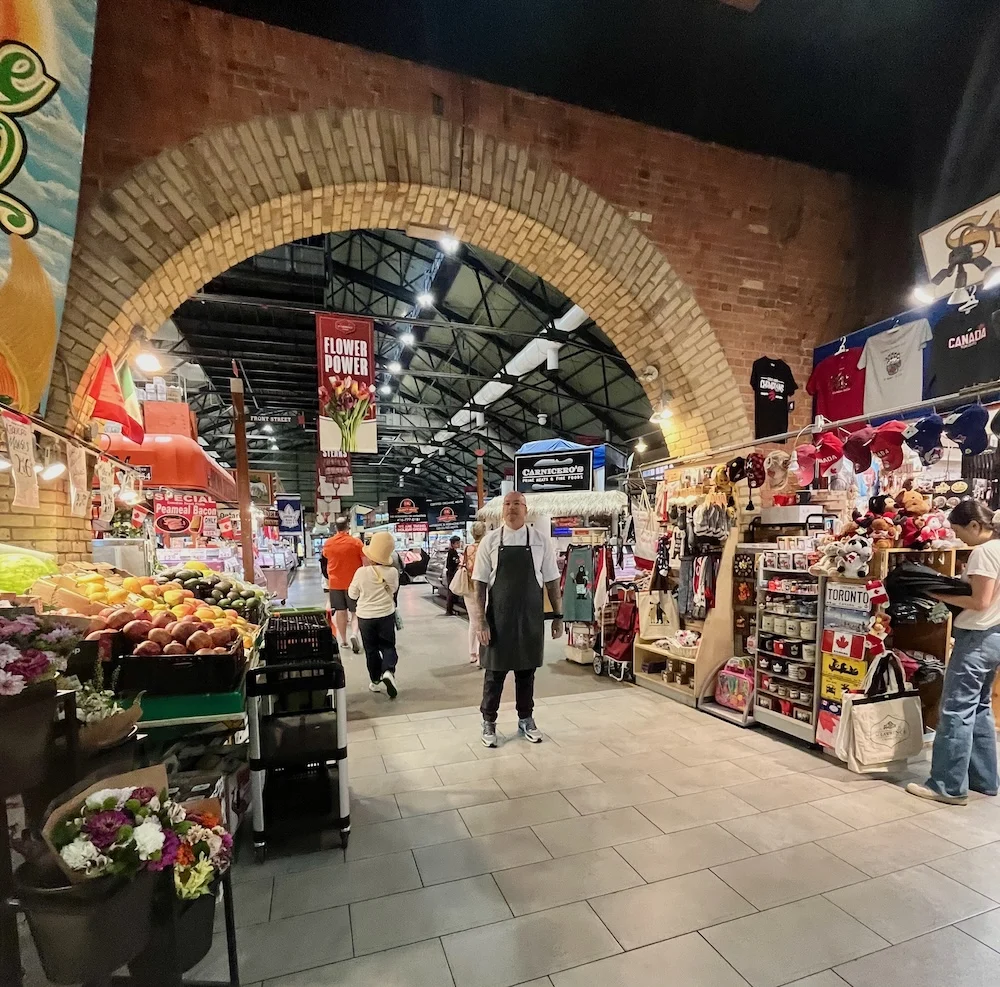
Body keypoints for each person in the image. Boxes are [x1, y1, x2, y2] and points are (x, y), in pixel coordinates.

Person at [906, 500, 1000, 806]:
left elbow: (980, 602)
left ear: (975, 525)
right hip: (994, 637)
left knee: (955, 710)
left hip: (976, 637)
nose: (959, 538)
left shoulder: (984, 552)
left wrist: (933, 592)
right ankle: (983, 780)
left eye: (959, 530)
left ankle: (947, 785)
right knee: (980, 707)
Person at [471, 491, 563, 747]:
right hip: (498, 619)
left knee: (526, 672)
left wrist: (558, 616)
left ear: (526, 509)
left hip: (529, 617)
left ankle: (526, 718)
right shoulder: (489, 541)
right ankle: (488, 721)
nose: (512, 508)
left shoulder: (540, 540)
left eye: (517, 504)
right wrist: (481, 621)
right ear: (502, 510)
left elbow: (552, 581)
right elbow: (478, 583)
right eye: (508, 504)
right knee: (494, 674)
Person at [348, 531, 401, 698]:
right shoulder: (392, 572)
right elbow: (393, 590)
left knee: (371, 650)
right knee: (388, 646)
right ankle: (388, 672)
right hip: (386, 614)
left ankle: (375, 681)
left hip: (365, 617)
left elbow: (352, 594)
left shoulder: (361, 572)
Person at [322, 516, 363, 654]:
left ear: (336, 528)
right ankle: (354, 634)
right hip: (354, 583)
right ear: (348, 527)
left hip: (335, 583)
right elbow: (365, 562)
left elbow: (325, 557)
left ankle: (344, 640)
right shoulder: (356, 543)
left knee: (340, 612)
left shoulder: (328, 543)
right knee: (355, 612)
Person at [463, 522, 487, 664]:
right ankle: (481, 654)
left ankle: (473, 653)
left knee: (473, 621)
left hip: (469, 587)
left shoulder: (468, 548)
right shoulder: (487, 547)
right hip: (484, 588)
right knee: (484, 620)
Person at [444, 534, 462, 615]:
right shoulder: (452, 552)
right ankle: (449, 610)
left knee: (452, 591)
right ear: (453, 543)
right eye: (457, 543)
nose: (459, 544)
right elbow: (453, 563)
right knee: (451, 591)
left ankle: (451, 609)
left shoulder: (453, 552)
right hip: (451, 574)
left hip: (451, 573)